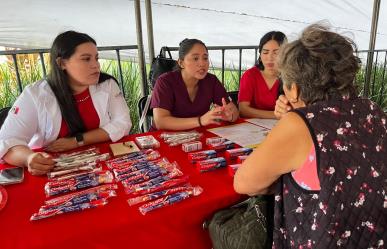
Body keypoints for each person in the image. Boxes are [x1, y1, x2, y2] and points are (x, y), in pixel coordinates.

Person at [234, 24, 386, 248]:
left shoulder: (299, 124)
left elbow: (244, 183)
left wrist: (291, 119)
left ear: (293, 89)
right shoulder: (373, 110)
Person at [0, 31, 132, 175]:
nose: (96, 66)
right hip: (52, 168)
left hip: (101, 164)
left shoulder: (107, 84)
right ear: (62, 63)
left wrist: (77, 141)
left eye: (96, 58)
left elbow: (123, 123)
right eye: (86, 59)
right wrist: (29, 158)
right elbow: (7, 141)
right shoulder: (35, 94)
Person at [150, 38, 239, 130]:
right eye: (195, 58)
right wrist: (200, 121)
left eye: (205, 58)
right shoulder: (165, 82)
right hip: (164, 138)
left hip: (197, 137)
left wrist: (230, 116)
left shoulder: (211, 81)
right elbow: (160, 122)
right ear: (181, 63)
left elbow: (234, 112)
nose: (202, 63)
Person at [238, 31, 287, 119]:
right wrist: (276, 115)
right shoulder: (250, 75)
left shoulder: (291, 76)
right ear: (260, 55)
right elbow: (243, 110)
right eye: (265, 52)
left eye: (276, 52)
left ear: (285, 54)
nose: (270, 57)